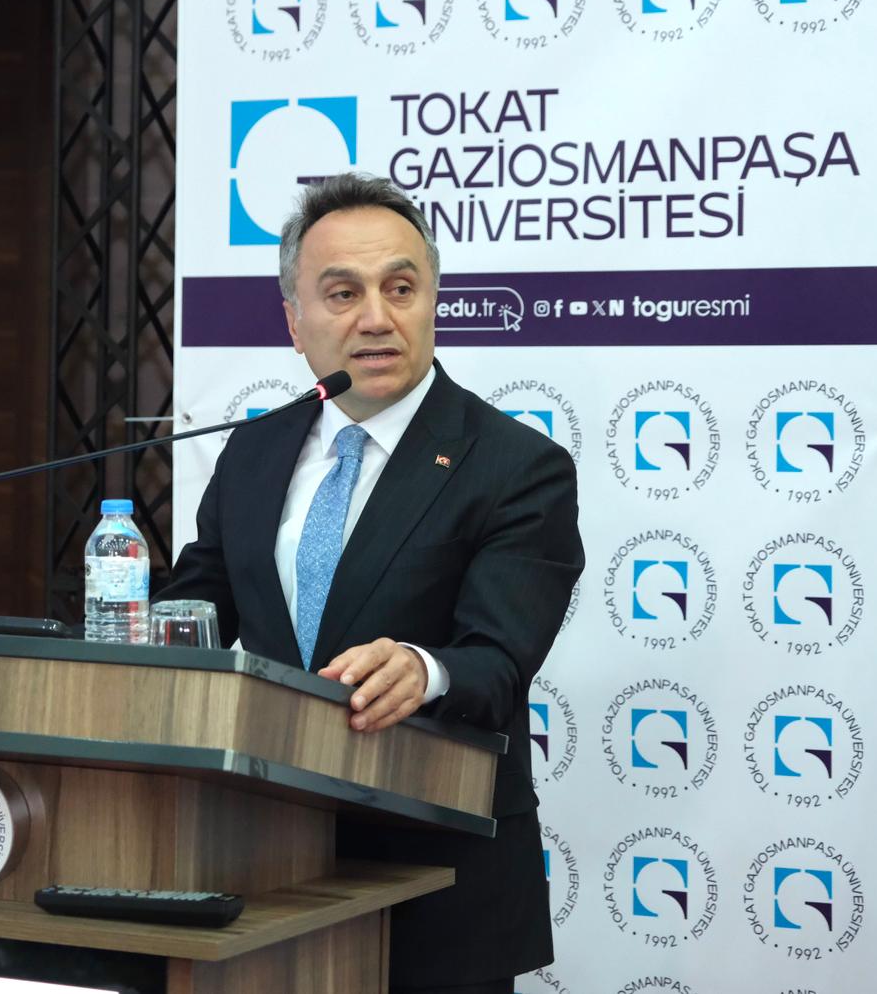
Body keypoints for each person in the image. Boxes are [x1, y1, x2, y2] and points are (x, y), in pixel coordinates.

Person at [161, 172, 583, 994]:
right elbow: (199, 607)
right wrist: (122, 639)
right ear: (295, 322)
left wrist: (425, 669)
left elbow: (499, 660)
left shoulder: (515, 466)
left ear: (432, 302)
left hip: (432, 875)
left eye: (400, 288)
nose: (376, 318)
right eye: (343, 293)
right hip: (258, 863)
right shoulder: (254, 449)